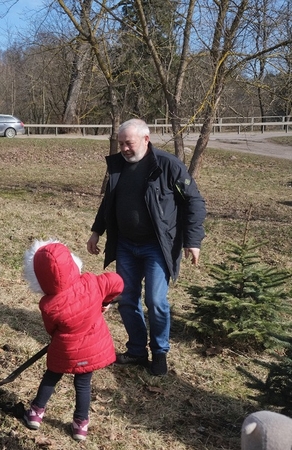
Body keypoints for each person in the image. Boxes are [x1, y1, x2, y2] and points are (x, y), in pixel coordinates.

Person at [86, 118, 206, 376]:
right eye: (120, 144)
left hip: (158, 247)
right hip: (126, 246)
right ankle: (137, 350)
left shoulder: (167, 165)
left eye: (128, 143)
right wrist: (97, 231)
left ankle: (160, 352)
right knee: (127, 299)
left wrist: (193, 241)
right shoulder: (118, 166)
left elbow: (194, 202)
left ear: (146, 139)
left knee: (155, 300)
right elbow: (108, 202)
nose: (124, 149)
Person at [22, 239, 123, 441]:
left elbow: (52, 330)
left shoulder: (49, 305)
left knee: (51, 377)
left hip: (64, 350)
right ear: (72, 263)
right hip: (92, 349)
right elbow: (117, 282)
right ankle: (80, 425)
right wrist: (105, 301)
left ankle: (36, 413)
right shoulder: (92, 282)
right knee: (83, 385)